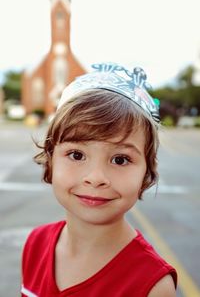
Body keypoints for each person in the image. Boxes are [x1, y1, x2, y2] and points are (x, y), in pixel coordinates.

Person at [21, 63, 177, 297]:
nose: (96, 178)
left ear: (147, 172)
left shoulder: (152, 286)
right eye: (76, 155)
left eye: (121, 159)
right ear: (51, 160)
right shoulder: (36, 243)